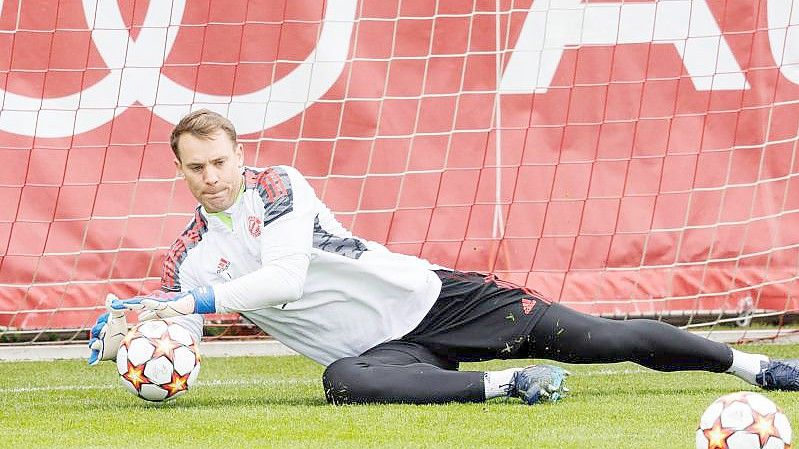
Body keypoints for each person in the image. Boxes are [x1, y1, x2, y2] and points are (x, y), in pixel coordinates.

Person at [88, 109, 799, 405]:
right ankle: (506, 384)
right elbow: (182, 332)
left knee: (601, 338)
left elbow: (284, 278)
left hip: (436, 298)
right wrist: (140, 328)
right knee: (341, 382)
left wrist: (187, 303)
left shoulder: (278, 186)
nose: (210, 175)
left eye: (219, 160)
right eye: (195, 167)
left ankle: (754, 366)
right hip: (387, 351)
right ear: (178, 171)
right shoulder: (187, 258)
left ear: (239, 155)